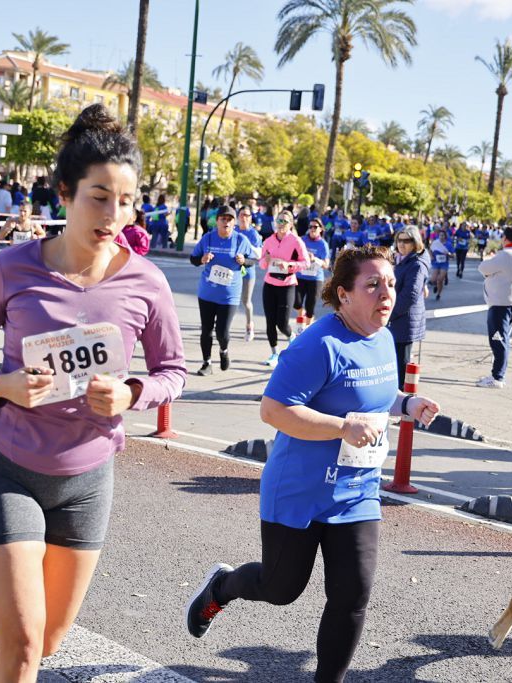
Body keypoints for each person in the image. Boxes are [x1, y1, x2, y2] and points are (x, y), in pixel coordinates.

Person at [0, 104, 186, 680]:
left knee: (48, 640)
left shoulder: (146, 282)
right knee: (23, 647)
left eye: (126, 200)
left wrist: (132, 393)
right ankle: (0, 624)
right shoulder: (12, 268)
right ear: (64, 194)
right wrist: (0, 386)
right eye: (99, 196)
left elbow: (174, 370)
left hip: (86, 479)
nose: (114, 214)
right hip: (5, 468)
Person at [184, 245, 440, 683]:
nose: (387, 294)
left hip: (357, 492)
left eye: (391, 284)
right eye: (373, 285)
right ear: (343, 295)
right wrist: (342, 427)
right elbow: (274, 411)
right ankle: (221, 587)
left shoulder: (380, 339)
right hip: (300, 493)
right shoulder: (317, 345)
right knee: (280, 589)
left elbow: (375, 398)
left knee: (352, 597)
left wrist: (407, 402)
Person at [190, 204, 255, 375]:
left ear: (234, 223)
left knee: (222, 332)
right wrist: (202, 259)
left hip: (229, 295)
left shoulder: (240, 240)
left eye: (230, 219)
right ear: (217, 221)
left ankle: (223, 351)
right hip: (207, 293)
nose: (226, 222)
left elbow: (253, 260)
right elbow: (193, 258)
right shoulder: (208, 238)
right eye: (223, 219)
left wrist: (244, 261)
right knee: (206, 329)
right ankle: (207, 363)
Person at [477, 227, 512, 389]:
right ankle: (497, 374)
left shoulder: (507, 254)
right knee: (502, 340)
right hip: (509, 302)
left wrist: (490, 270)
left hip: (501, 304)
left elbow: (483, 268)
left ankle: (497, 377)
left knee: (498, 341)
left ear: (506, 238)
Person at [259, 209, 308, 367]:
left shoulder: (296, 241)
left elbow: (305, 262)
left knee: (282, 323)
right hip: (270, 284)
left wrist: (289, 265)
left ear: (290, 224)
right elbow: (261, 264)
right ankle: (274, 353)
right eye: (279, 221)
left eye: (284, 221)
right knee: (270, 322)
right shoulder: (268, 241)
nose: (281, 224)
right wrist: (266, 261)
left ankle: (291, 335)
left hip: (287, 285)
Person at [389, 225, 430, 389]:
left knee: (402, 363)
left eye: (406, 241)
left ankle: (403, 401)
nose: (401, 244)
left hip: (405, 319)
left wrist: (389, 314)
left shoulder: (417, 264)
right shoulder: (401, 259)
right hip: (399, 318)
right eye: (399, 240)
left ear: (415, 243)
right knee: (396, 360)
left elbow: (410, 295)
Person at [295, 218, 330, 333]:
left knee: (310, 306)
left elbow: (326, 265)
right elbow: (294, 254)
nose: (312, 229)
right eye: (310, 227)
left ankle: (307, 329)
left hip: (315, 279)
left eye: (315, 227)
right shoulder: (302, 240)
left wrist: (315, 259)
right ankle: (301, 319)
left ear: (320, 229)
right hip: (300, 276)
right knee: (297, 303)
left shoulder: (323, 244)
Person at [235, 205, 264, 341]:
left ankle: (249, 326)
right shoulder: (233, 230)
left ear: (251, 218)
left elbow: (257, 256)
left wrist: (244, 257)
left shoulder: (253, 234)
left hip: (247, 271)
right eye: (242, 215)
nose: (244, 218)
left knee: (246, 301)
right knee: (228, 299)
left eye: (247, 215)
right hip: (232, 271)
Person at [428, 229, 450, 299]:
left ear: (445, 236)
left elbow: (452, 255)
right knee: (433, 279)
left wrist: (448, 254)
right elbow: (430, 250)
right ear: (438, 236)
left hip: (444, 264)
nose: (441, 237)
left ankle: (438, 294)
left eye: (443, 235)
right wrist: (431, 256)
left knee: (440, 280)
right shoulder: (435, 243)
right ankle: (435, 285)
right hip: (436, 262)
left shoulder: (448, 244)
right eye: (440, 235)